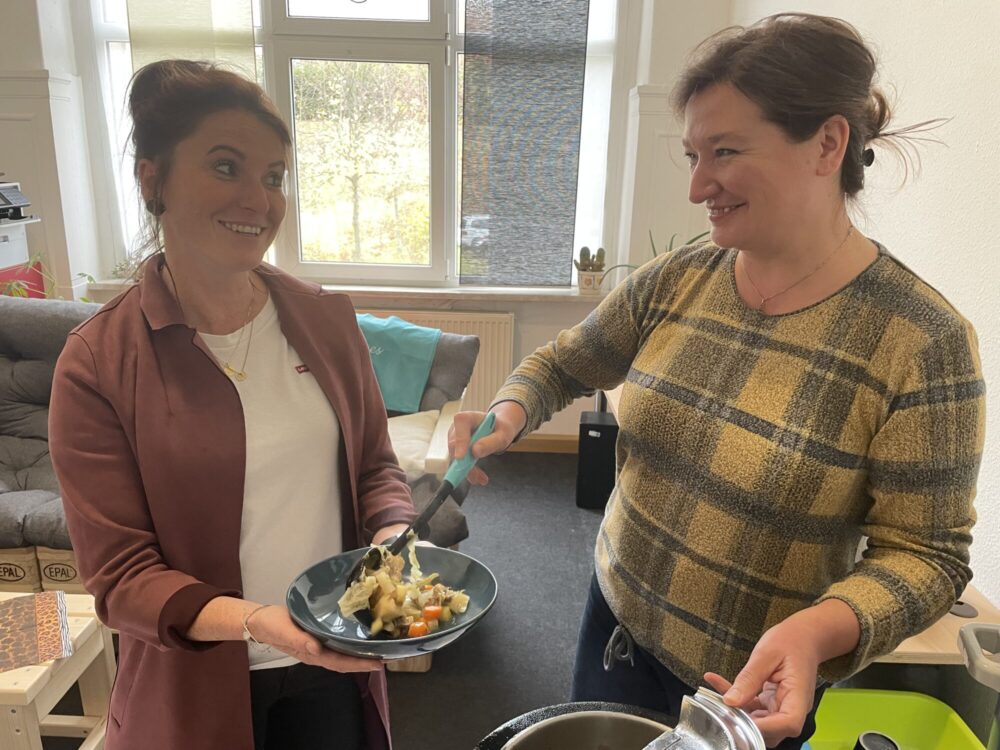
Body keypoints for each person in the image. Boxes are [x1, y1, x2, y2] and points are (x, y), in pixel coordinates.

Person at [450, 13, 984, 749]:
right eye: (694, 154)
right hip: (615, 629)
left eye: (725, 151)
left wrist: (814, 631)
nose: (699, 184)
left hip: (754, 687)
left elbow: (927, 557)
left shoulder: (921, 341)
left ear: (827, 144)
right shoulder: (679, 278)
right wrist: (509, 410)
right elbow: (563, 361)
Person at [48, 60, 418, 750]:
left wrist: (391, 533)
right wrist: (257, 621)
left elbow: (375, 467)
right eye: (226, 167)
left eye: (274, 176)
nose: (259, 199)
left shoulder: (326, 320)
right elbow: (123, 580)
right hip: (195, 691)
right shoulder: (98, 362)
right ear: (151, 178)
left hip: (329, 669)